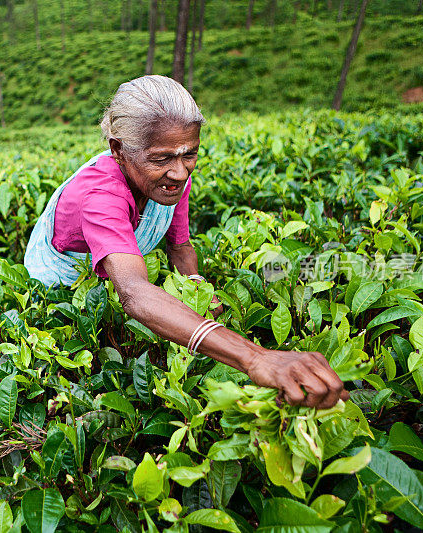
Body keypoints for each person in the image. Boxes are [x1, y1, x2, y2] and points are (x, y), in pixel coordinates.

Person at [24, 75, 348, 409]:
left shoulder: (170, 180)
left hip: (121, 255)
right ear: (119, 150)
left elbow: (179, 245)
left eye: (189, 154)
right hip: (65, 277)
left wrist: (195, 284)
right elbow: (133, 291)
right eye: (161, 158)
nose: (180, 173)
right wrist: (255, 358)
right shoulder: (101, 194)